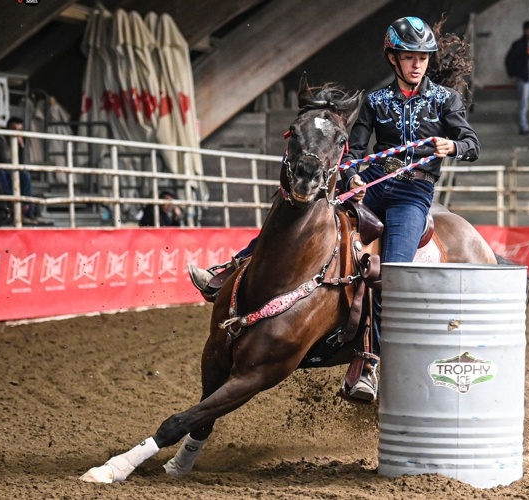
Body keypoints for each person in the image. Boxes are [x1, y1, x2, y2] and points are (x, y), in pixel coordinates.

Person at [192, 16, 479, 403]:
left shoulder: (446, 101)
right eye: (410, 57)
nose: (417, 64)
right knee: (298, 220)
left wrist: (452, 147)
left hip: (412, 195)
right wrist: (354, 178)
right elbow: (355, 153)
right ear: (393, 59)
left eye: (423, 58)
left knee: (392, 274)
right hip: (375, 186)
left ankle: (370, 361)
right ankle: (231, 268)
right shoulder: (377, 102)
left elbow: (471, 143)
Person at [0, 117, 42, 223]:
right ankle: (10, 204)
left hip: (10, 170)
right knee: (1, 173)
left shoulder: (17, 140)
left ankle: (27, 212)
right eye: (13, 129)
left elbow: (20, 164)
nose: (16, 132)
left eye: (19, 130)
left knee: (24, 174)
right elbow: (2, 160)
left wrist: (20, 148)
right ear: (7, 128)